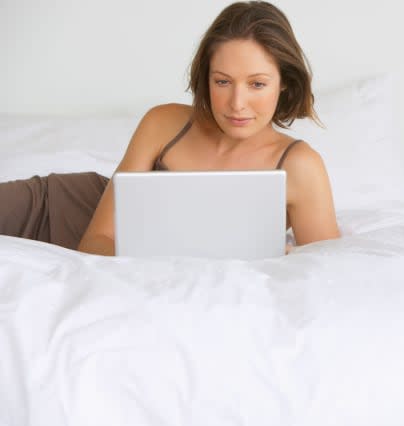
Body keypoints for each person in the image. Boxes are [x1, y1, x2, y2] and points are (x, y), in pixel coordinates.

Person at [0, 1, 340, 256]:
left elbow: (323, 274)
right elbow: (97, 240)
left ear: (284, 83)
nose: (237, 103)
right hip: (64, 207)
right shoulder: (163, 122)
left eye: (257, 84)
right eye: (222, 81)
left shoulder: (300, 166)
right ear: (205, 78)